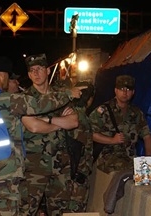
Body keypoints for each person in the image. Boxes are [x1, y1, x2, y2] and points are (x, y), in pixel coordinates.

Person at [0, 56, 85, 215]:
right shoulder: (5, 99)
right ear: (2, 75)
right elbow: (39, 105)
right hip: (5, 175)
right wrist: (69, 93)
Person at [20, 53, 80, 216]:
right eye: (32, 70)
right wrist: (60, 122)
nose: (36, 73)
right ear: (28, 74)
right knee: (28, 210)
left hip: (60, 163)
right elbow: (33, 127)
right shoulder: (25, 98)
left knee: (60, 210)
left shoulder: (60, 95)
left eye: (39, 69)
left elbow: (74, 121)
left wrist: (47, 119)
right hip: (34, 165)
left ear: (47, 71)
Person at [89, 75, 151, 173]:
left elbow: (147, 136)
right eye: (121, 89)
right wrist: (112, 140)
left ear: (133, 93)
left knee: (144, 183)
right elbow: (90, 133)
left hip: (130, 161)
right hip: (107, 163)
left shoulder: (136, 113)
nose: (125, 92)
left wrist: (148, 161)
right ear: (115, 90)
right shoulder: (103, 110)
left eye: (128, 89)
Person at [64, 81, 95, 212]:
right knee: (75, 210)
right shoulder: (81, 118)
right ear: (90, 98)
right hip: (78, 176)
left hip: (68, 175)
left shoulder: (67, 113)